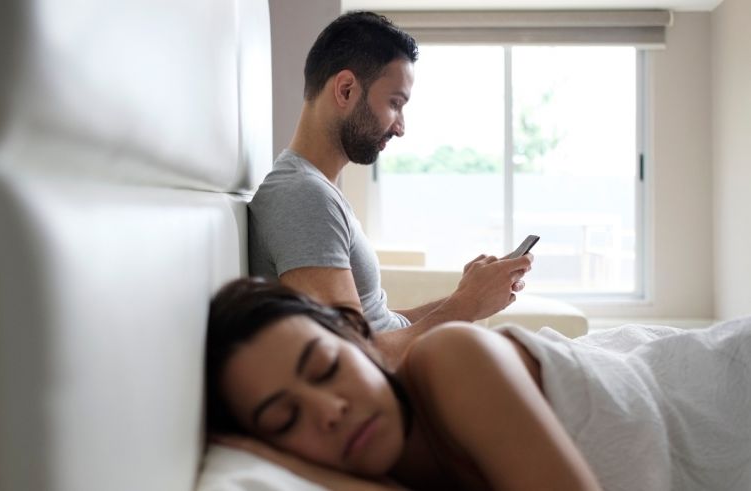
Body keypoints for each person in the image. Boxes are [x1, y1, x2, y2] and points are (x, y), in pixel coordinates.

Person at [206, 277, 751, 491]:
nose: (327, 410)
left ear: (359, 340)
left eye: (325, 367)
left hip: (714, 392)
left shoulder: (451, 358)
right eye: (284, 419)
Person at [248, 11, 533, 364]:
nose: (400, 127)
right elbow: (352, 358)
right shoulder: (302, 197)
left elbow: (374, 324)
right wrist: (466, 305)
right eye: (394, 103)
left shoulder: (316, 189)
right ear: (346, 89)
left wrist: (465, 297)